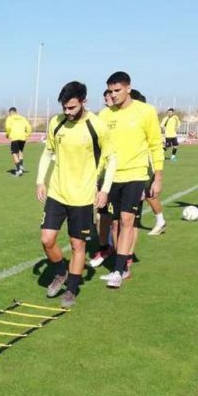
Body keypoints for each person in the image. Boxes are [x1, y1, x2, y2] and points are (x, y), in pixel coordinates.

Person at [37, 81, 116, 307]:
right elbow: (47, 153)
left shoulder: (96, 126)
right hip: (57, 192)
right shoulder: (56, 122)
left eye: (72, 107)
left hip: (82, 197)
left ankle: (71, 289)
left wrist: (105, 189)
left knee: (77, 245)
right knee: (47, 239)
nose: (67, 111)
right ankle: (61, 272)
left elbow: (112, 158)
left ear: (84, 102)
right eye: (64, 107)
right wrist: (40, 181)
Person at [97, 72, 163, 289]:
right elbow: (100, 150)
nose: (113, 95)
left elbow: (155, 145)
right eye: (110, 91)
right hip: (111, 178)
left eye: (117, 90)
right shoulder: (104, 115)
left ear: (128, 88)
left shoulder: (146, 111)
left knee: (127, 220)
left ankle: (119, 270)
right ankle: (121, 264)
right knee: (114, 223)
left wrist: (157, 178)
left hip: (136, 175)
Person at [90, 90, 116, 267]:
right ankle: (105, 247)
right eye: (107, 97)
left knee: (120, 219)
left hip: (124, 174)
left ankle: (122, 257)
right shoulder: (101, 117)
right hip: (103, 172)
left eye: (111, 97)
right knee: (101, 214)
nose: (108, 100)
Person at [5, 107, 32, 176]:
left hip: (14, 137)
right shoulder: (23, 118)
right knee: (20, 151)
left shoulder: (10, 118)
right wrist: (27, 134)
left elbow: (8, 127)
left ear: (10, 112)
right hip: (23, 137)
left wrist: (8, 134)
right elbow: (29, 127)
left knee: (14, 153)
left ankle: (18, 169)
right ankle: (21, 166)